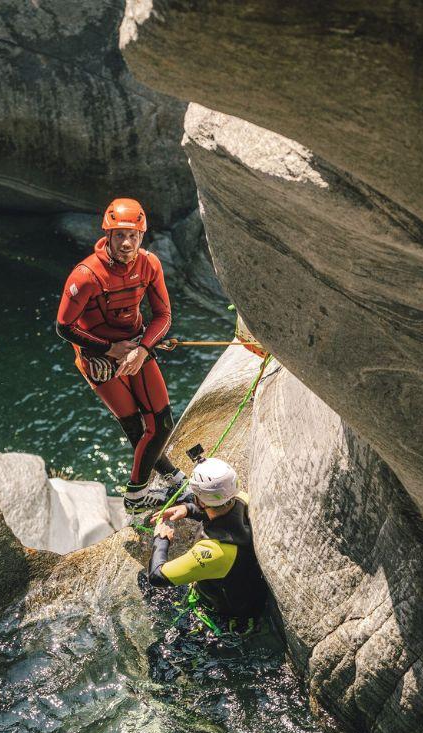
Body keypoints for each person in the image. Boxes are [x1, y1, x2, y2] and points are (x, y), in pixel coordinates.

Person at [55, 198, 187, 510]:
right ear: (108, 235)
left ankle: (161, 481)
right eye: (120, 236)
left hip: (135, 347)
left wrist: (143, 350)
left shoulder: (149, 264)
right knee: (136, 428)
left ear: (142, 237)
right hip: (98, 357)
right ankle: (138, 496)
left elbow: (163, 316)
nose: (127, 243)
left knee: (162, 423)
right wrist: (109, 349)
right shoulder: (85, 275)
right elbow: (64, 326)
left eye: (133, 236)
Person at [147, 457, 267, 628]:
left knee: (155, 652)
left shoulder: (213, 551)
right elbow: (220, 509)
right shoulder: (243, 499)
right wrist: (187, 509)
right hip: (245, 592)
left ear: (200, 500)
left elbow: (157, 577)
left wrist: (161, 539)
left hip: (223, 620)